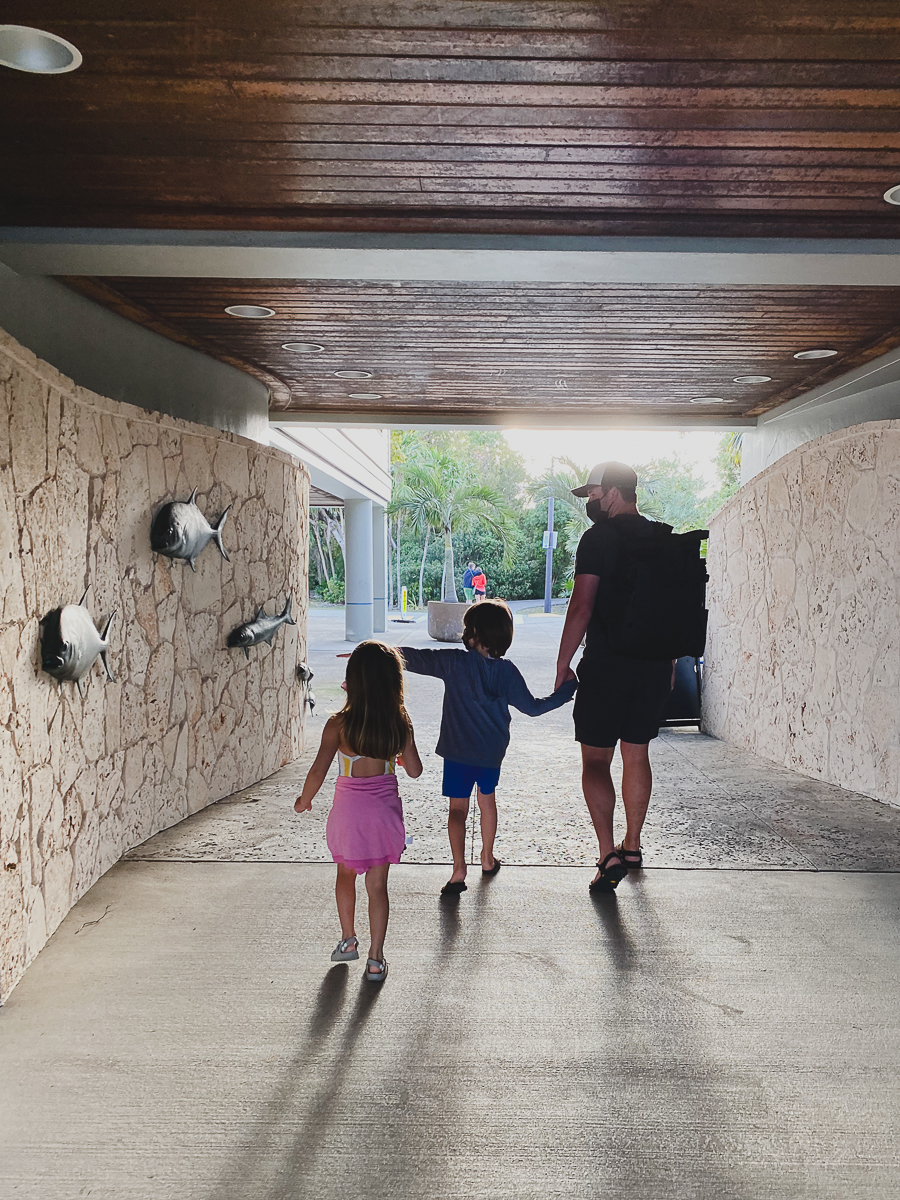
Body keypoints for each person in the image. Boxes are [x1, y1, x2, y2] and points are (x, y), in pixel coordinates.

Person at [399, 599, 577, 895]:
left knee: (457, 808)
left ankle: (458, 869)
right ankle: (486, 857)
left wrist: (377, 653)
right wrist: (566, 691)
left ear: (475, 634)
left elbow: (416, 658)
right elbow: (532, 708)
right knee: (487, 801)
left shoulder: (455, 662)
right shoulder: (508, 672)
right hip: (491, 753)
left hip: (457, 751)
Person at [555, 462, 674, 895]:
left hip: (607, 666)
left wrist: (563, 662)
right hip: (657, 667)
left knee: (595, 761)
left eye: (593, 493)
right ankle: (633, 845)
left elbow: (582, 606)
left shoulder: (598, 539)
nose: (590, 502)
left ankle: (607, 852)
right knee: (637, 753)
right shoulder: (663, 537)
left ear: (613, 493)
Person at [294, 640, 423, 981]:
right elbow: (414, 770)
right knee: (378, 886)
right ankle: (376, 959)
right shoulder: (399, 723)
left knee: (345, 876)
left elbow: (318, 770)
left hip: (348, 816)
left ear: (353, 679)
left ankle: (348, 940)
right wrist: (396, 753)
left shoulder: (338, 724)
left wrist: (304, 800)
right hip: (383, 818)